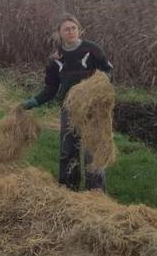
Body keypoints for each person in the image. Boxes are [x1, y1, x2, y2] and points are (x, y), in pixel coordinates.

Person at [21, 14, 113, 191]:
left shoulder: (92, 50)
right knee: (68, 149)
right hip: (69, 108)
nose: (71, 32)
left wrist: (97, 85)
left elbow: (108, 72)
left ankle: (96, 191)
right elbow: (51, 89)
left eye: (73, 28)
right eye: (66, 29)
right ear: (59, 33)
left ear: (79, 30)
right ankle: (68, 186)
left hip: (93, 108)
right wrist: (33, 102)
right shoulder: (56, 58)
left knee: (93, 150)